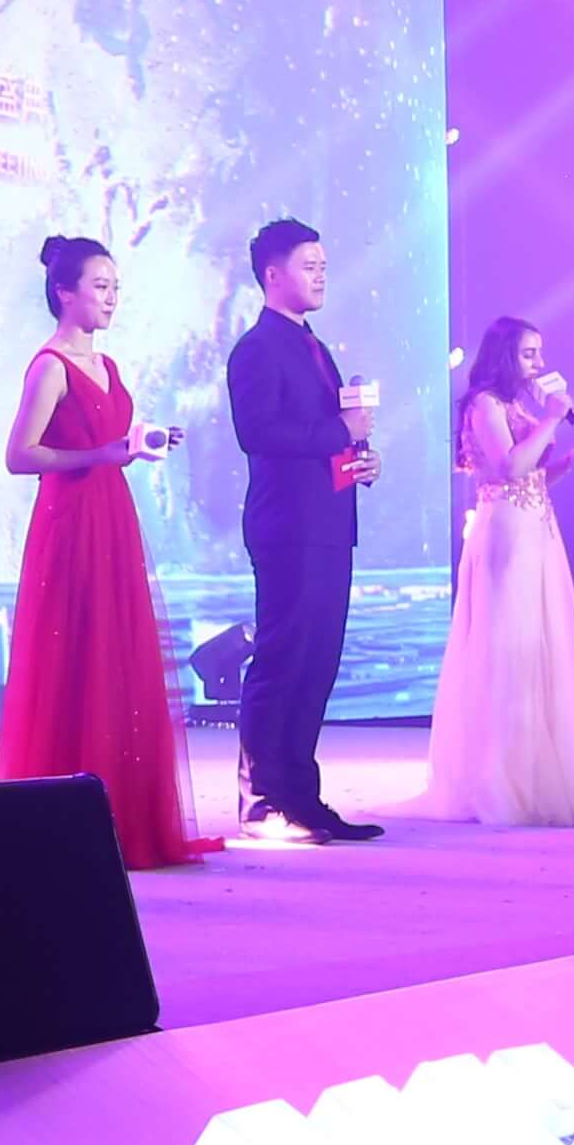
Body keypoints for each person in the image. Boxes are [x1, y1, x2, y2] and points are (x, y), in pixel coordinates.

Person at [0, 238, 216, 867]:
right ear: (64, 293)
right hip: (70, 523)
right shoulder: (50, 366)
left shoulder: (108, 365)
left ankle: (126, 812)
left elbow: (111, 441)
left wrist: (141, 443)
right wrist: (103, 453)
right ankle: (67, 823)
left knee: (117, 655)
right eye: (100, 286)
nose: (112, 298)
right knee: (75, 655)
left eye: (116, 287)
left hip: (112, 513)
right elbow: (20, 455)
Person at [397, 315, 574, 827]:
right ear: (503, 355)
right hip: (505, 532)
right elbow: (507, 468)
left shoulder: (518, 406)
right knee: (507, 646)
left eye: (539, 353)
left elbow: (534, 476)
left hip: (537, 528)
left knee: (540, 643)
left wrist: (573, 458)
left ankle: (539, 773)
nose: (539, 364)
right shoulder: (484, 404)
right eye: (528, 354)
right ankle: (499, 779)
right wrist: (552, 419)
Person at [227, 218, 382, 843]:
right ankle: (263, 801)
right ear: (273, 274)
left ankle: (302, 796)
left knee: (318, 661)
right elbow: (258, 433)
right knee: (283, 657)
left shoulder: (311, 344)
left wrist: (359, 457)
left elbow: (325, 431)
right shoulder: (258, 348)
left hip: (328, 521)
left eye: (323, 266)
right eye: (308, 266)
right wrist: (340, 433)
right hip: (288, 526)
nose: (320, 276)